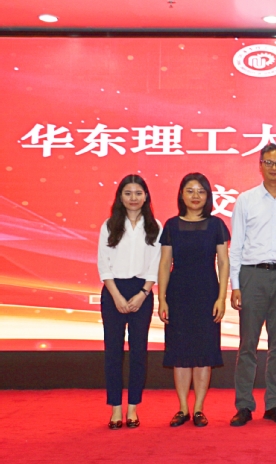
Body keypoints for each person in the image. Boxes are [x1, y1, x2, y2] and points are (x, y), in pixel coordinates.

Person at [228, 144, 276, 427]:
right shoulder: (246, 200)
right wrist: (236, 285)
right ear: (260, 165)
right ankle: (244, 405)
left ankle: (274, 404)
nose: (274, 168)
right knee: (247, 344)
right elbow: (236, 245)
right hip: (253, 276)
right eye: (269, 162)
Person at [158, 173, 230, 427]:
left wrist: (222, 297)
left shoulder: (216, 225)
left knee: (203, 353)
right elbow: (165, 263)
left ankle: (199, 409)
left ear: (208, 196)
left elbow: (223, 263)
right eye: (190, 190)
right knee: (180, 353)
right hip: (178, 295)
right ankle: (182, 408)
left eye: (201, 191)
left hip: (207, 293)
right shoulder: (171, 225)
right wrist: (161, 299)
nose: (195, 196)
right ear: (181, 194)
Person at [97, 175, 161, 429]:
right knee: (113, 353)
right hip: (113, 291)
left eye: (138, 193)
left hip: (141, 292)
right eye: (128, 193)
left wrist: (143, 293)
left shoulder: (154, 226)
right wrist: (116, 296)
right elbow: (103, 264)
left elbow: (156, 264)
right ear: (120, 197)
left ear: (146, 196)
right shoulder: (109, 225)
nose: (133, 198)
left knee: (138, 353)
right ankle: (115, 409)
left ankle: (133, 408)